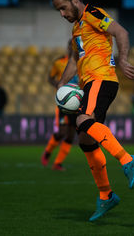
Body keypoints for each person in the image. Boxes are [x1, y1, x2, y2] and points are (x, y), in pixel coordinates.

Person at [52, 0, 134, 221]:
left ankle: (127, 159)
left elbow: (121, 32)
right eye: (58, 11)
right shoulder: (76, 29)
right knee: (86, 139)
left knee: (83, 120)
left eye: (63, 8)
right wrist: (62, 84)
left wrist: (122, 60)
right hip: (89, 83)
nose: (62, 14)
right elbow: (74, 59)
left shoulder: (93, 13)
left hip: (100, 79)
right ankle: (106, 196)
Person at [41, 40, 78, 171]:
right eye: (70, 45)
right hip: (64, 103)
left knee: (71, 135)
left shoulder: (84, 61)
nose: (72, 47)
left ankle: (57, 163)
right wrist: (58, 85)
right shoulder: (59, 62)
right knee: (62, 132)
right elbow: (50, 78)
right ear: (69, 47)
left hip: (78, 103)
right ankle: (48, 151)